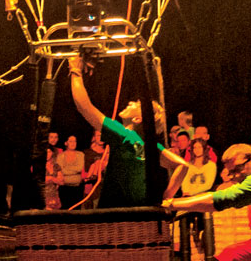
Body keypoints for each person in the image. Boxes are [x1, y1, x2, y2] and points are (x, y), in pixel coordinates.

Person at [69, 53, 189, 207]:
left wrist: (75, 71)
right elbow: (183, 165)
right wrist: (165, 199)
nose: (131, 102)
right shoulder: (148, 146)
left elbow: (84, 106)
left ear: (138, 119)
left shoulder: (124, 135)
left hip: (114, 212)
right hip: (138, 211)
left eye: (136, 104)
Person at [53, 135, 88, 209]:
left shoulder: (80, 154)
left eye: (75, 141)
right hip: (64, 188)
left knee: (76, 209)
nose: (73, 143)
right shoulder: (60, 156)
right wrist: (73, 171)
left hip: (77, 188)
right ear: (66, 143)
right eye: (71, 141)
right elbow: (61, 170)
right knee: (65, 209)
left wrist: (67, 169)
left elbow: (79, 168)